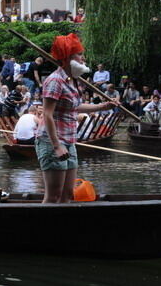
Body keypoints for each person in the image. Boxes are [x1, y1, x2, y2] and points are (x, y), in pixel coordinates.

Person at [36, 34, 117, 203]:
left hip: (70, 139)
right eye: (79, 55)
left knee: (67, 195)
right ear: (67, 59)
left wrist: (103, 107)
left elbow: (74, 106)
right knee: (53, 196)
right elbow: (47, 114)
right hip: (53, 141)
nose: (83, 58)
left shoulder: (72, 79)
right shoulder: (55, 81)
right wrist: (57, 146)